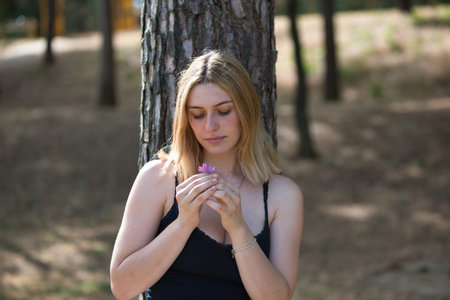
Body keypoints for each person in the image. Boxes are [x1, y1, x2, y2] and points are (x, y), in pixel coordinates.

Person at [110, 50, 304, 300]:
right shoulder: (158, 179)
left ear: (246, 110)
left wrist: (238, 228)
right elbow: (122, 287)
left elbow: (277, 297)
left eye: (223, 111)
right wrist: (182, 224)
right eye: (198, 115)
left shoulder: (282, 195)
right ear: (186, 119)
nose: (210, 126)